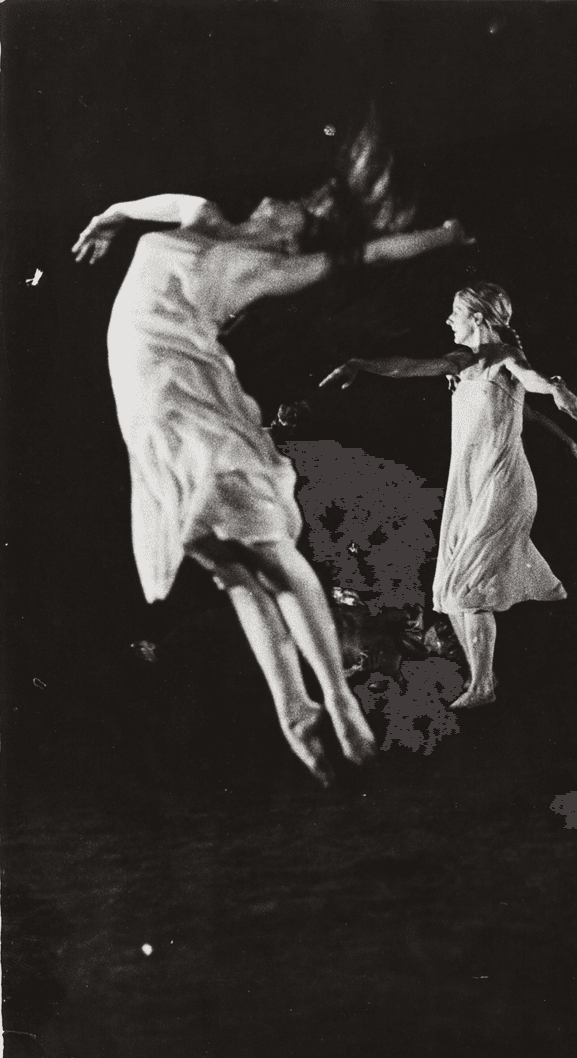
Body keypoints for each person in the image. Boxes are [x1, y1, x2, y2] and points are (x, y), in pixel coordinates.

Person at [74, 119, 470, 784]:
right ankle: (297, 717)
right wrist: (109, 216)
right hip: (143, 404)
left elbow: (365, 256)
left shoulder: (271, 269)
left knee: (265, 557)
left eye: (294, 204)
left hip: (182, 391)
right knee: (231, 567)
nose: (269, 200)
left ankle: (340, 707)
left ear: (295, 230)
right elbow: (149, 207)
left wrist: (440, 236)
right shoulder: (201, 218)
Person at [322, 283, 577, 709]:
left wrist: (556, 387)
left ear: (479, 318)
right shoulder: (464, 364)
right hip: (469, 488)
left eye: (455, 313)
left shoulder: (501, 356)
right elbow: (412, 368)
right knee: (449, 591)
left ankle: (482, 685)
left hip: (501, 485)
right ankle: (485, 679)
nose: (448, 320)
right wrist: (363, 363)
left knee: (468, 586)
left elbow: (530, 382)